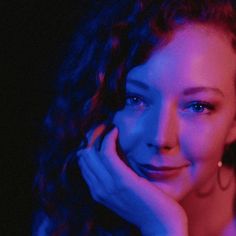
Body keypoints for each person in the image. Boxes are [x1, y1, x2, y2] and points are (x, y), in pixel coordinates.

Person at [33, 0, 236, 235]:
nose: (161, 138)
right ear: (101, 105)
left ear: (233, 123)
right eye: (135, 99)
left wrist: (161, 228)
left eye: (198, 106)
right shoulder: (66, 219)